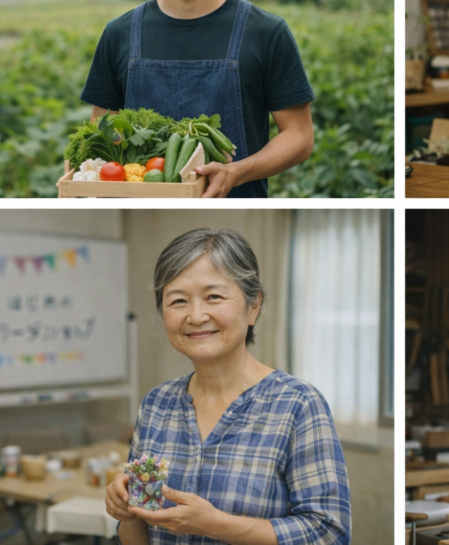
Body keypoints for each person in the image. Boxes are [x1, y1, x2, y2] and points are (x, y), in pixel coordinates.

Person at [104, 228, 350, 545]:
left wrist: (216, 524)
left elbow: (330, 533)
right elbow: (138, 532)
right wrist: (126, 510)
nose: (195, 315)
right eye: (178, 300)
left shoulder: (298, 403)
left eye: (214, 297)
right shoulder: (157, 404)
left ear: (253, 306)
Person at [80, 0, 314, 198]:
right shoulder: (118, 34)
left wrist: (237, 172)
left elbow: (299, 136)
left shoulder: (265, 32)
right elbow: (103, 135)